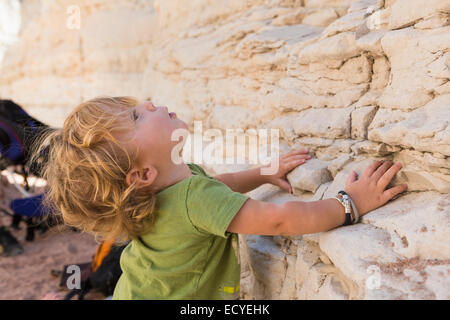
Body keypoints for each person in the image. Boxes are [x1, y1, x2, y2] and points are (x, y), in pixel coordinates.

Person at [31, 96, 408, 300]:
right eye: (135, 117)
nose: (147, 103)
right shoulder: (194, 197)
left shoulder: (174, 186)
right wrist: (349, 204)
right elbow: (279, 220)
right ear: (143, 174)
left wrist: (262, 173)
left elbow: (218, 185)